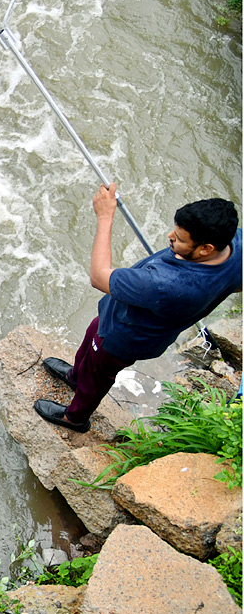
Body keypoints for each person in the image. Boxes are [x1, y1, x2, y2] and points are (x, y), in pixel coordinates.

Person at [35, 183, 241, 432]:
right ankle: (75, 378)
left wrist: (105, 215)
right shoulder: (235, 247)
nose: (170, 237)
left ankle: (75, 418)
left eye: (180, 238)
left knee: (97, 376)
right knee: (92, 335)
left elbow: (99, 277)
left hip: (125, 336)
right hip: (122, 318)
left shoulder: (168, 284)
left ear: (205, 248)